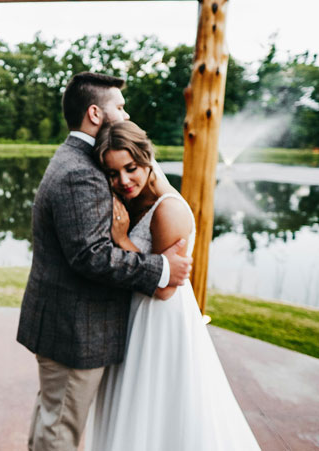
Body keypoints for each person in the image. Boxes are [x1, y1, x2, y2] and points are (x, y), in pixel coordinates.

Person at [16, 72, 193, 451]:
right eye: (120, 106)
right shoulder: (80, 171)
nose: (126, 114)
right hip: (74, 328)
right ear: (96, 113)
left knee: (52, 417)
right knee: (59, 430)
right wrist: (161, 268)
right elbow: (90, 255)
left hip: (66, 323)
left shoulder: (78, 159)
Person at [86, 120, 260, 450]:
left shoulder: (169, 210)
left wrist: (121, 238)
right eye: (113, 173)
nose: (123, 180)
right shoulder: (131, 200)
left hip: (158, 323)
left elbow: (165, 287)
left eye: (131, 168)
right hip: (133, 317)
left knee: (157, 409)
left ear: (147, 157)